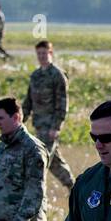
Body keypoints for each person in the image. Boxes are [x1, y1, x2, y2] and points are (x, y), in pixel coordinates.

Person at [23, 40, 75, 189]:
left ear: (50, 53)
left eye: (44, 53)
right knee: (54, 163)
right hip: (39, 125)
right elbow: (28, 101)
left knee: (40, 161)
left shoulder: (57, 75)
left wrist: (56, 126)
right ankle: (74, 187)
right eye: (39, 53)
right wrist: (20, 120)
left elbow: (63, 103)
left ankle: (37, 196)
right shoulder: (35, 75)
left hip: (50, 126)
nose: (41, 56)